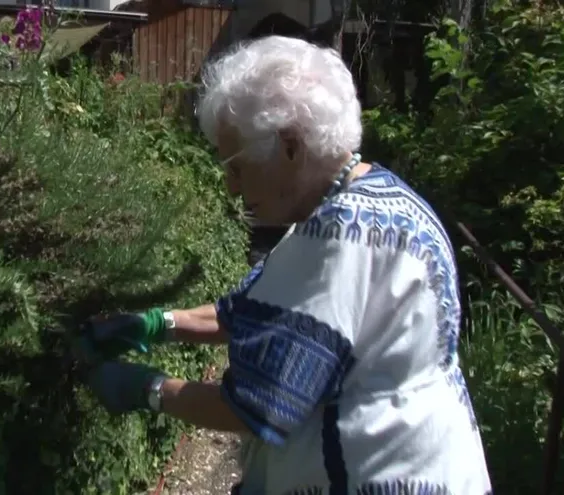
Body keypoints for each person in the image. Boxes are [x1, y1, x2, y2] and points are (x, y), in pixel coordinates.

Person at [83, 35, 492, 494]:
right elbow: (246, 312)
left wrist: (147, 389)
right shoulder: (381, 198)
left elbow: (257, 406)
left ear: (291, 145)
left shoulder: (341, 234)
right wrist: (156, 323)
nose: (231, 189)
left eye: (236, 167)